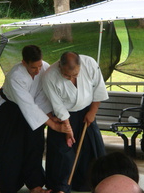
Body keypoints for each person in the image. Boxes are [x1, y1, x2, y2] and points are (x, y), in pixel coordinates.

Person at [0, 45, 72, 193]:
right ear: (24, 62)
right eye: (34, 67)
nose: (38, 70)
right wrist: (53, 125)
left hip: (35, 110)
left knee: (35, 144)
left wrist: (50, 117)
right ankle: (8, 187)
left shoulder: (44, 67)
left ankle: (35, 185)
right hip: (9, 110)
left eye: (39, 65)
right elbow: (27, 105)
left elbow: (42, 96)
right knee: (9, 149)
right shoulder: (16, 76)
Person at [42, 52, 109, 193]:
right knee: (63, 152)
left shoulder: (89, 63)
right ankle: (61, 187)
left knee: (91, 148)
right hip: (64, 116)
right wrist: (67, 129)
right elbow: (57, 105)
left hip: (87, 112)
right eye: (67, 76)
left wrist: (92, 112)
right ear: (60, 66)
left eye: (75, 75)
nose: (71, 78)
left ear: (80, 65)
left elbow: (99, 88)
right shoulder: (50, 76)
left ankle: (90, 184)